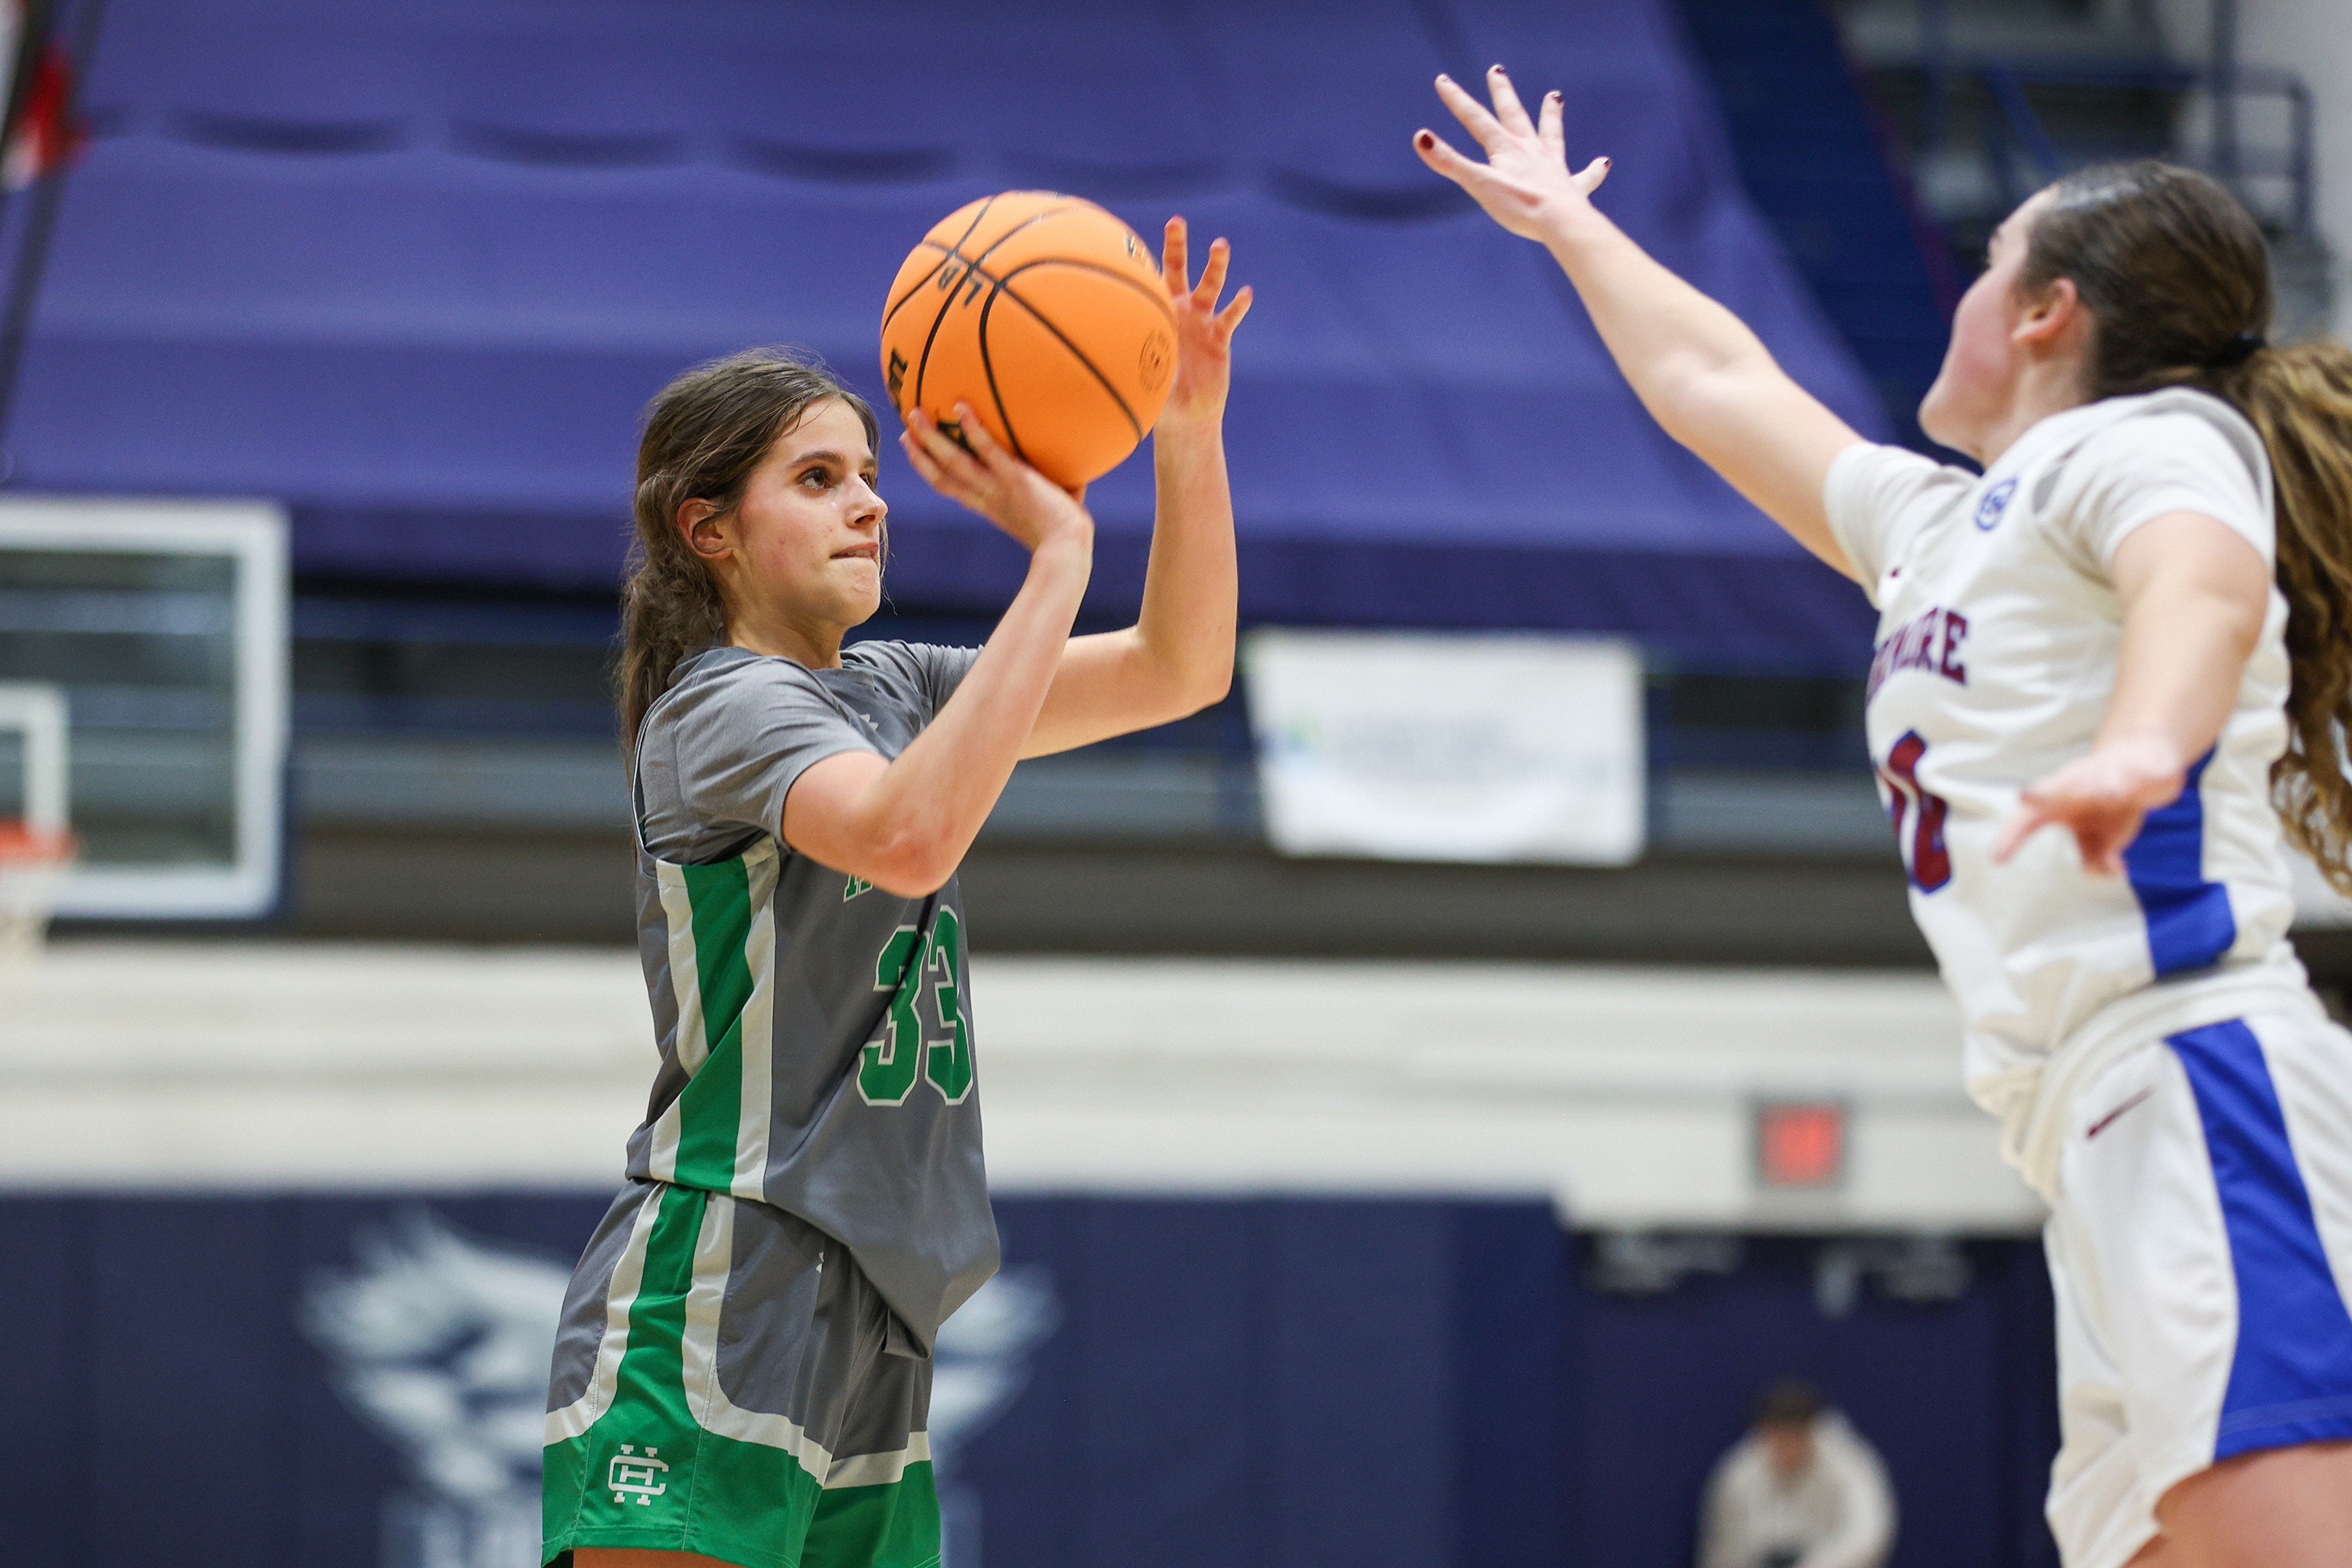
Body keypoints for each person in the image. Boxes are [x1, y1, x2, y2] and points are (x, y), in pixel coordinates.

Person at [1416, 65, 2352, 1568]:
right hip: (2080, 1122)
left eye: (1990, 267)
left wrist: (2141, 749)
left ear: (2047, 315)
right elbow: (1716, 384)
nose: (1967, 294)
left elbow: (2204, 589)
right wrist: (1569, 230)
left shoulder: (2148, 446)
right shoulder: (1945, 526)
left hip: (2191, 1069)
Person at [540, 220, 1250, 1568]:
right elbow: (909, 837)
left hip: (878, 1298)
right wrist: (1053, 563)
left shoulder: (896, 684)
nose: (869, 501)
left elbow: (1180, 668)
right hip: (729, 1264)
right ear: (713, 531)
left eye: (871, 475)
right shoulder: (718, 707)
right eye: (819, 478)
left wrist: (1189, 432)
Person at [1698, 1379, 1895, 1568]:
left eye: (1795, 1438)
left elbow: (1869, 1535)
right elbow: (1722, 1553)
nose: (1787, 1450)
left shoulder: (1849, 1465)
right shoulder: (1738, 1474)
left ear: (1811, 1431)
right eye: (1779, 1440)